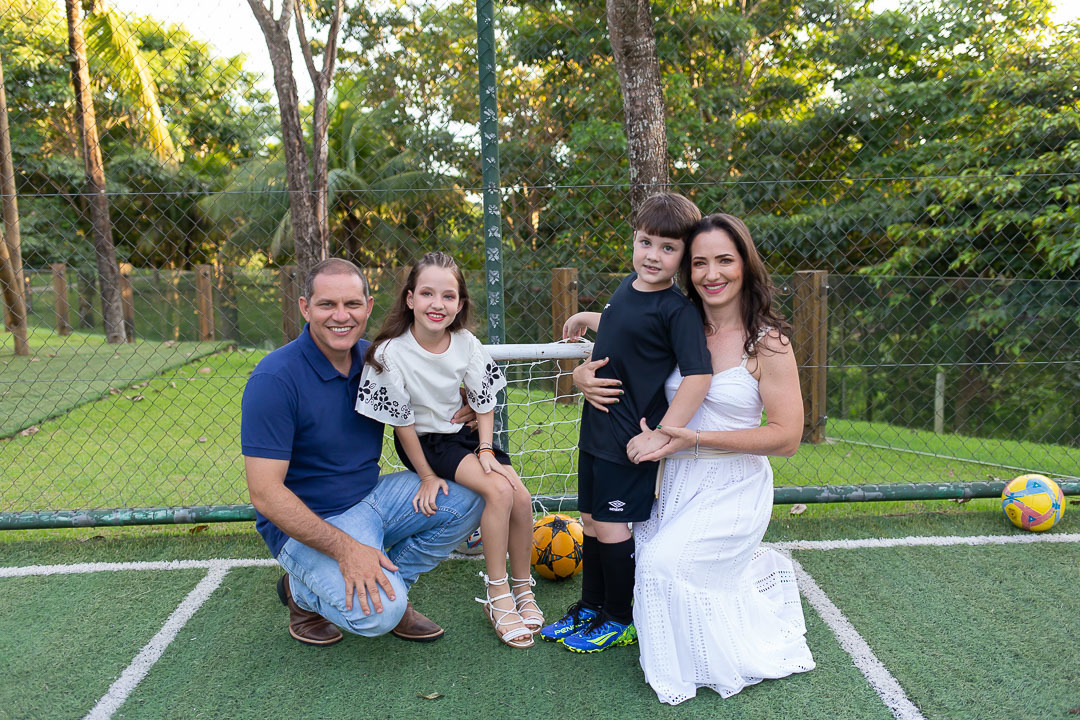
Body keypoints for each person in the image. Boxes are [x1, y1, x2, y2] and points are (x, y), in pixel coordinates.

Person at [581, 213, 816, 703]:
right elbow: (628, 332)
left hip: (732, 486)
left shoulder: (768, 343)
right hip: (676, 482)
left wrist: (696, 439)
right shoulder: (682, 321)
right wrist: (582, 372)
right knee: (633, 556)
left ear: (745, 266)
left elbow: (787, 437)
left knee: (661, 571)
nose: (712, 274)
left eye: (725, 261)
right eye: (700, 263)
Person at [241, 258, 484, 647]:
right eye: (327, 305)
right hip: (310, 521)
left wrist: (467, 405)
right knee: (378, 617)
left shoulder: (381, 361)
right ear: (305, 307)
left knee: (474, 494)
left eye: (352, 304)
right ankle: (301, 593)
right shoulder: (274, 378)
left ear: (368, 307)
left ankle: (392, 586)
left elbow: (430, 401)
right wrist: (346, 549)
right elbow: (265, 494)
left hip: (370, 500)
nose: (341, 316)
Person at [538, 193, 714, 654]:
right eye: (645, 242)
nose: (653, 255)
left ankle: (621, 617)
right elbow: (627, 330)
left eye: (667, 248)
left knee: (615, 528)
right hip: (594, 432)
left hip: (628, 437)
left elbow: (698, 375)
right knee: (592, 522)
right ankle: (591, 604)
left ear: (683, 256)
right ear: (634, 241)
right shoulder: (626, 288)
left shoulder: (678, 310)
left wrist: (663, 433)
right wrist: (587, 318)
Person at [355, 252, 540, 649]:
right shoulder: (391, 354)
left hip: (467, 436)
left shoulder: (466, 343)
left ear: (460, 304)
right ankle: (497, 594)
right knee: (498, 491)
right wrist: (426, 475)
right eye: (427, 293)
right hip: (429, 442)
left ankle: (524, 590)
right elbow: (402, 426)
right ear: (409, 299)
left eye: (448, 296)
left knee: (522, 499)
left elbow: (484, 399)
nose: (437, 304)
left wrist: (487, 449)